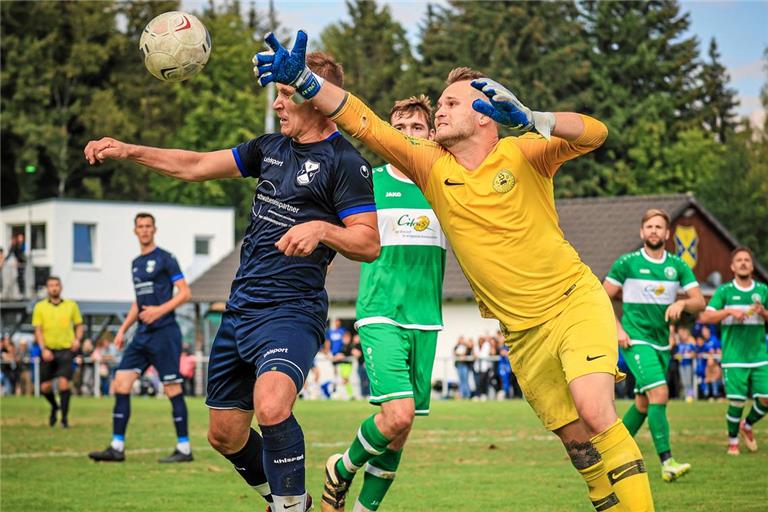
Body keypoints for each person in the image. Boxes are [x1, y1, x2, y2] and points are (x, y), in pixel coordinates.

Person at [256, 30, 654, 511]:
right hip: (521, 334)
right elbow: (363, 121)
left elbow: (596, 133)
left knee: (596, 413)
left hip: (572, 302)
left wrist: (533, 119)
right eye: (439, 104)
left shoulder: (525, 152)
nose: (439, 111)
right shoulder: (428, 166)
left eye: (451, 103)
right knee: (580, 449)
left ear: (486, 114)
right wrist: (302, 79)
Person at [84, 51, 378, 512]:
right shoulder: (270, 148)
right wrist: (129, 149)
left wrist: (322, 230)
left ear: (317, 100)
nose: (278, 104)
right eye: (277, 95)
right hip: (241, 309)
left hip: (292, 310)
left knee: (273, 405)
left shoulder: (344, 162)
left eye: (285, 94)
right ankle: (293, 500)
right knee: (224, 434)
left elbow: (368, 242)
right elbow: (196, 165)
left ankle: (287, 508)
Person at [322, 95, 446, 512]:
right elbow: (339, 236)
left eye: (417, 128)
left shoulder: (444, 185)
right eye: (401, 128)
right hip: (381, 313)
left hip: (426, 319)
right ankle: (340, 468)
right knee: (398, 416)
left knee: (399, 433)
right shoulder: (368, 181)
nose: (409, 135)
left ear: (431, 135)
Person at [603, 209, 705, 482]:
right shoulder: (627, 263)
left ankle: (608, 454)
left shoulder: (677, 265)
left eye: (659, 226)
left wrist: (683, 303)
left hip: (662, 343)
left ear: (667, 233)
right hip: (636, 340)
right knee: (660, 394)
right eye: (649, 226)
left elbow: (700, 301)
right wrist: (617, 329)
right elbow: (600, 298)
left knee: (643, 405)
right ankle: (667, 462)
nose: (654, 231)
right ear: (642, 232)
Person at [88, 212, 193, 464]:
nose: (144, 230)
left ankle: (185, 449)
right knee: (121, 384)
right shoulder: (135, 263)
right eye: (140, 227)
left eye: (148, 226)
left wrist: (159, 310)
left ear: (154, 230)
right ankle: (116, 447)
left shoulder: (166, 259)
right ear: (135, 231)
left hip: (165, 333)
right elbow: (139, 302)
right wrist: (123, 329)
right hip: (142, 336)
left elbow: (185, 293)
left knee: (172, 389)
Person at [699, 247, 768, 455]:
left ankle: (746, 425)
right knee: (737, 402)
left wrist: (762, 312)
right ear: (732, 266)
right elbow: (706, 317)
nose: (743, 263)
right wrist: (729, 311)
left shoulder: (763, 291)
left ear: (752, 265)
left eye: (747, 259)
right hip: (734, 357)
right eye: (739, 260)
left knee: (766, 398)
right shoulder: (724, 291)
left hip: (758, 356)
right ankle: (733, 443)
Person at [31, 276, 84, 428]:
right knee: (45, 387)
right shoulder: (40, 307)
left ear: (61, 287)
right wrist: (43, 349)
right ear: (47, 288)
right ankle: (55, 406)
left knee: (63, 384)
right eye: (51, 285)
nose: (54, 288)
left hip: (65, 350)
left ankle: (64, 419)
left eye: (56, 285)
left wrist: (77, 340)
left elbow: (79, 325)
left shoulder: (71, 305)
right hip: (48, 351)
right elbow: (38, 330)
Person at [674, 326, 697, 402]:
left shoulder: (691, 342)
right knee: (684, 381)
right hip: (682, 364)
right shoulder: (680, 344)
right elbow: (678, 354)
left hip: (688, 364)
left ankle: (690, 395)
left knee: (688, 380)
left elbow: (694, 353)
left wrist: (689, 355)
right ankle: (687, 395)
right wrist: (678, 356)